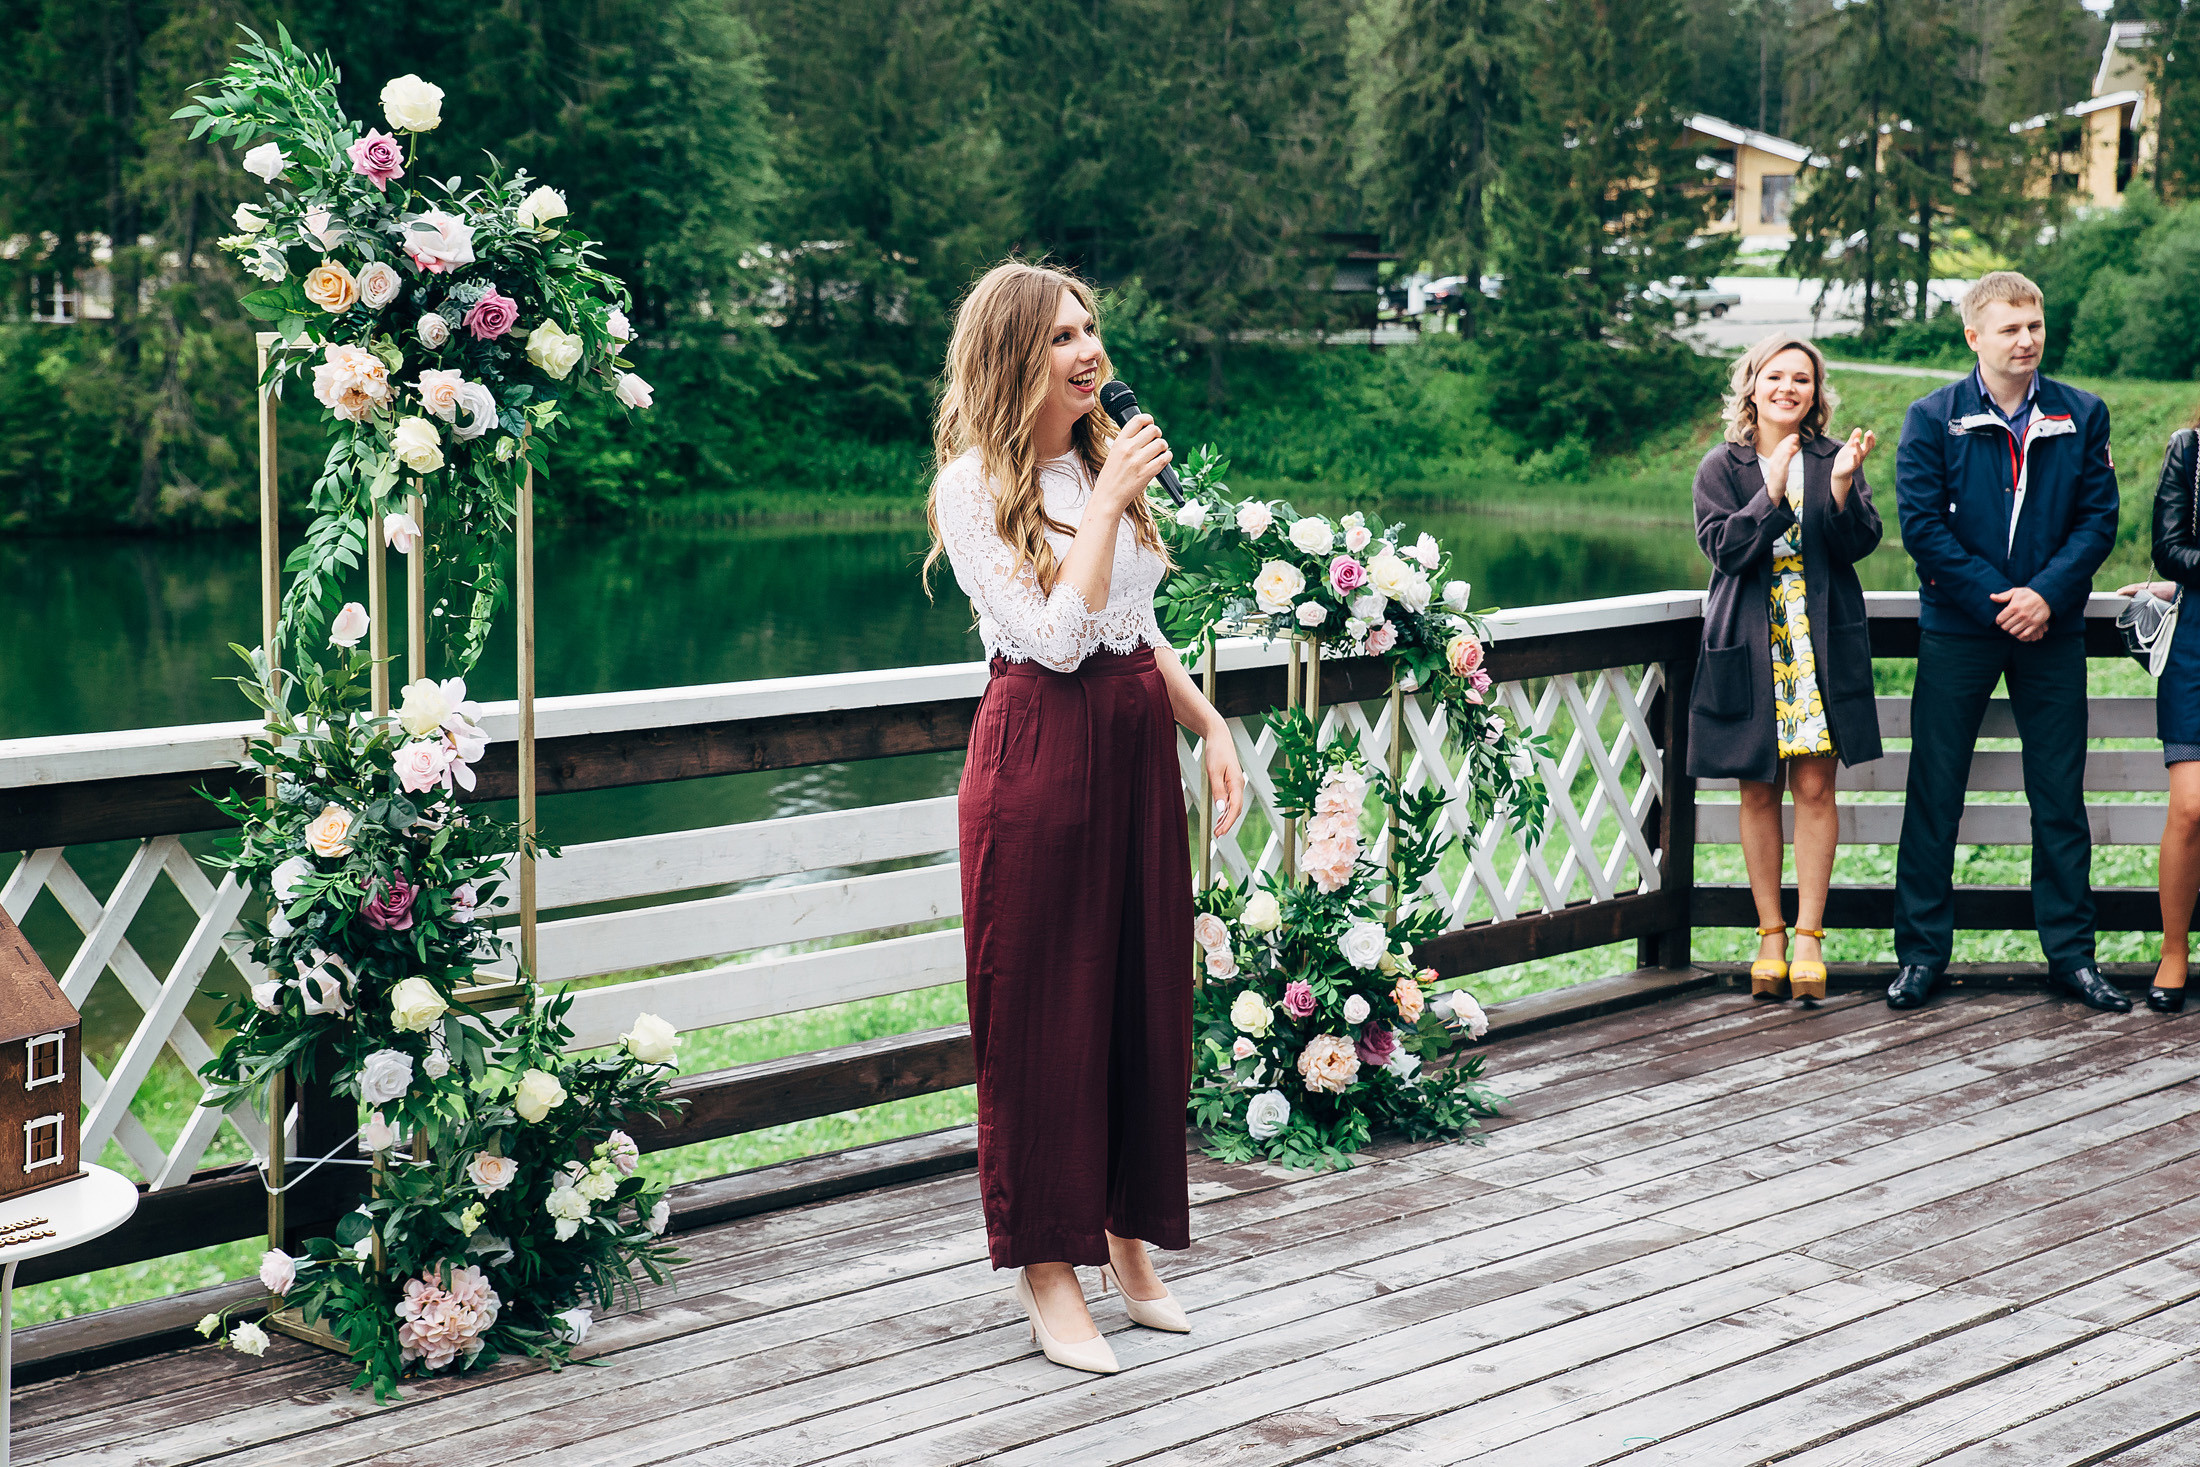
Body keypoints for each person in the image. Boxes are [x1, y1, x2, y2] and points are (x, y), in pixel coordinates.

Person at [924, 260, 1248, 1375]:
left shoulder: (1093, 460)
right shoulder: (971, 487)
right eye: (1062, 335)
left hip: (1130, 751)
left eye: (1092, 328)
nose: (1088, 351)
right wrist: (1106, 502)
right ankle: (1047, 1271)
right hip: (1041, 757)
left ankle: (1126, 1236)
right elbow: (1056, 641)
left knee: (1140, 1000)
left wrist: (1207, 725)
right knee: (1043, 1017)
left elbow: (1131, 627)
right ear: (1014, 353)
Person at [1890, 271, 2124, 1013]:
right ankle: (1921, 955)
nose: (2026, 340)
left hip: (2050, 631)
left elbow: (2097, 521)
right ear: (1974, 337)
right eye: (2010, 328)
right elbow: (1922, 530)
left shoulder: (2081, 415)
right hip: (1960, 628)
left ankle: (2072, 958)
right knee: (1935, 793)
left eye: (2035, 326)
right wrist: (1999, 603)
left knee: (2059, 797)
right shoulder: (1932, 418)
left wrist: (2045, 596)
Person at [1689, 333, 1884, 1007]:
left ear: (1815, 393)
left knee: (1816, 787)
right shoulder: (1724, 465)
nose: (1788, 388)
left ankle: (1809, 936)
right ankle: (1769, 933)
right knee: (1755, 789)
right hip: (1749, 641)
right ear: (1752, 386)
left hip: (1818, 640)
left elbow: (1860, 542)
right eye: (1776, 376)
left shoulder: (1836, 456)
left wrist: (1840, 487)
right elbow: (1725, 551)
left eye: (1802, 379)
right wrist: (1769, 491)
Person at [2122, 415, 2200, 1013]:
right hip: (2197, 648)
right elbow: (2168, 548)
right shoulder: (2190, 448)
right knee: (2192, 805)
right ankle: (2174, 949)